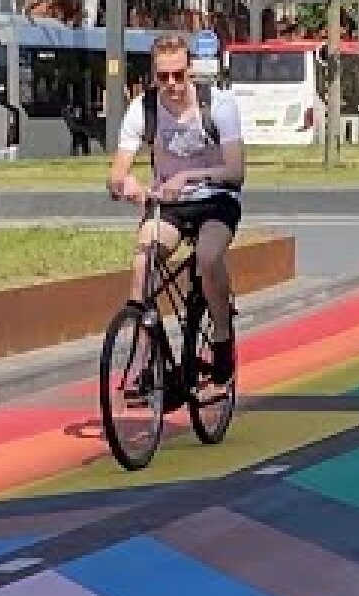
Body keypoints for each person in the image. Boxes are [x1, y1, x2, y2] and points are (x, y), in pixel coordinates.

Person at [107, 33, 246, 386]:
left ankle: (222, 336)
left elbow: (236, 170)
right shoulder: (143, 109)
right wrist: (128, 187)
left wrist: (188, 176)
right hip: (169, 206)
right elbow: (116, 174)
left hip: (216, 198)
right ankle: (145, 358)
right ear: (153, 75)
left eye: (179, 75)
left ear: (191, 71)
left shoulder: (219, 105)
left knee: (208, 257)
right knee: (144, 258)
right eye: (163, 76)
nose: (172, 85)